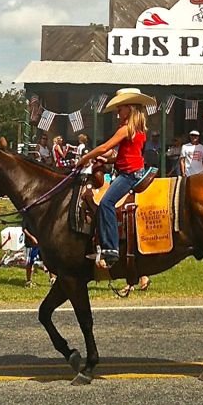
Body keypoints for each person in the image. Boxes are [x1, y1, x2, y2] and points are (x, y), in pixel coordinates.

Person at [77, 87, 156, 269]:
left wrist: (84, 159)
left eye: (119, 109)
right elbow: (125, 154)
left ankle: (111, 249)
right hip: (134, 170)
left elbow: (104, 147)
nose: (117, 113)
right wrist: (107, 159)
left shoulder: (126, 129)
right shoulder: (138, 129)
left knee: (106, 203)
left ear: (129, 108)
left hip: (129, 175)